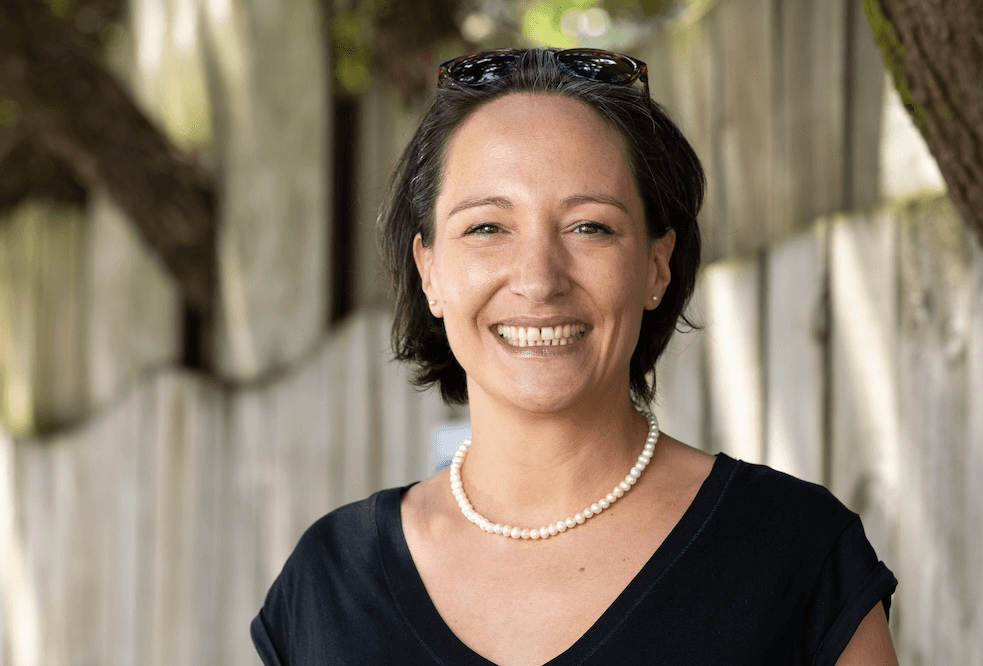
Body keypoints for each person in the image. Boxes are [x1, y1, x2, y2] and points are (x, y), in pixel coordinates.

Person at [251, 48, 898, 665]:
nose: (538, 280)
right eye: (486, 227)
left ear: (657, 265)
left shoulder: (794, 552)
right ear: (429, 272)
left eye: (590, 226)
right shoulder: (328, 582)